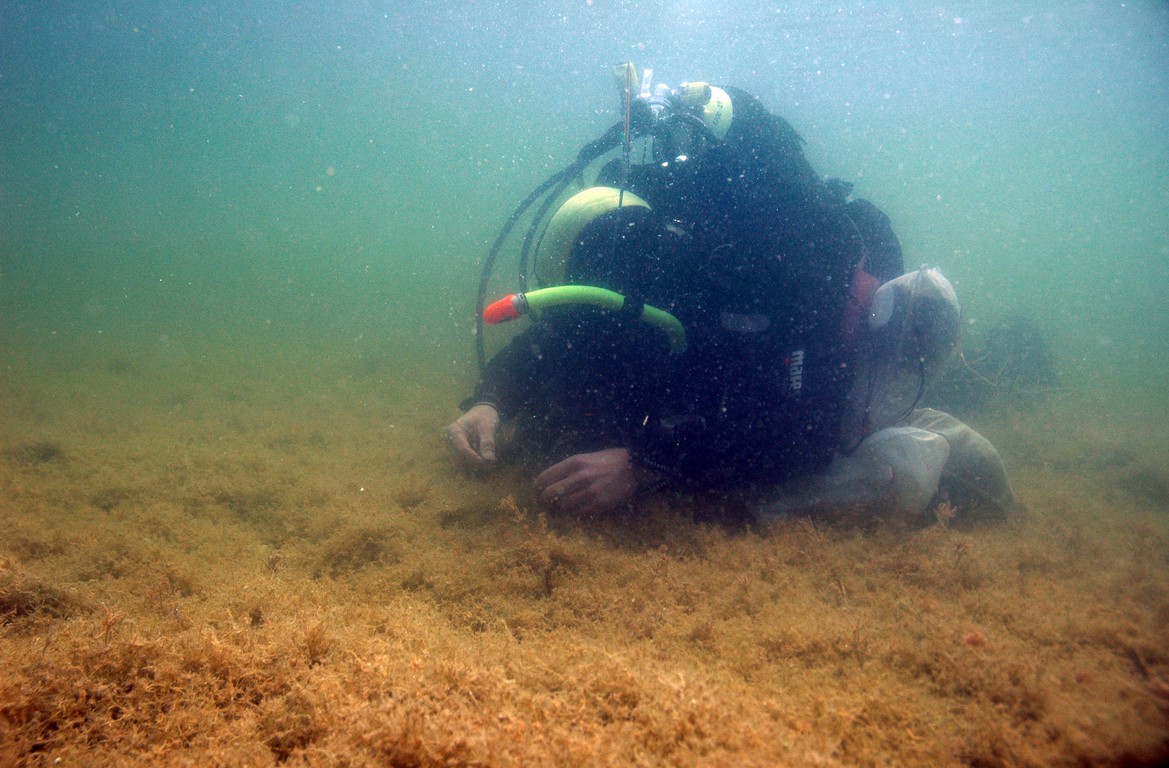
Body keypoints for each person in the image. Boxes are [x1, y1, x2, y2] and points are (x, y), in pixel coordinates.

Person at [446, 66, 1016, 526]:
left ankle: (959, 425)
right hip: (785, 365)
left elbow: (785, 441)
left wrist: (641, 465)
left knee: (954, 462)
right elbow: (571, 338)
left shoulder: (799, 272)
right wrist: (490, 399)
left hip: (811, 377)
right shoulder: (689, 276)